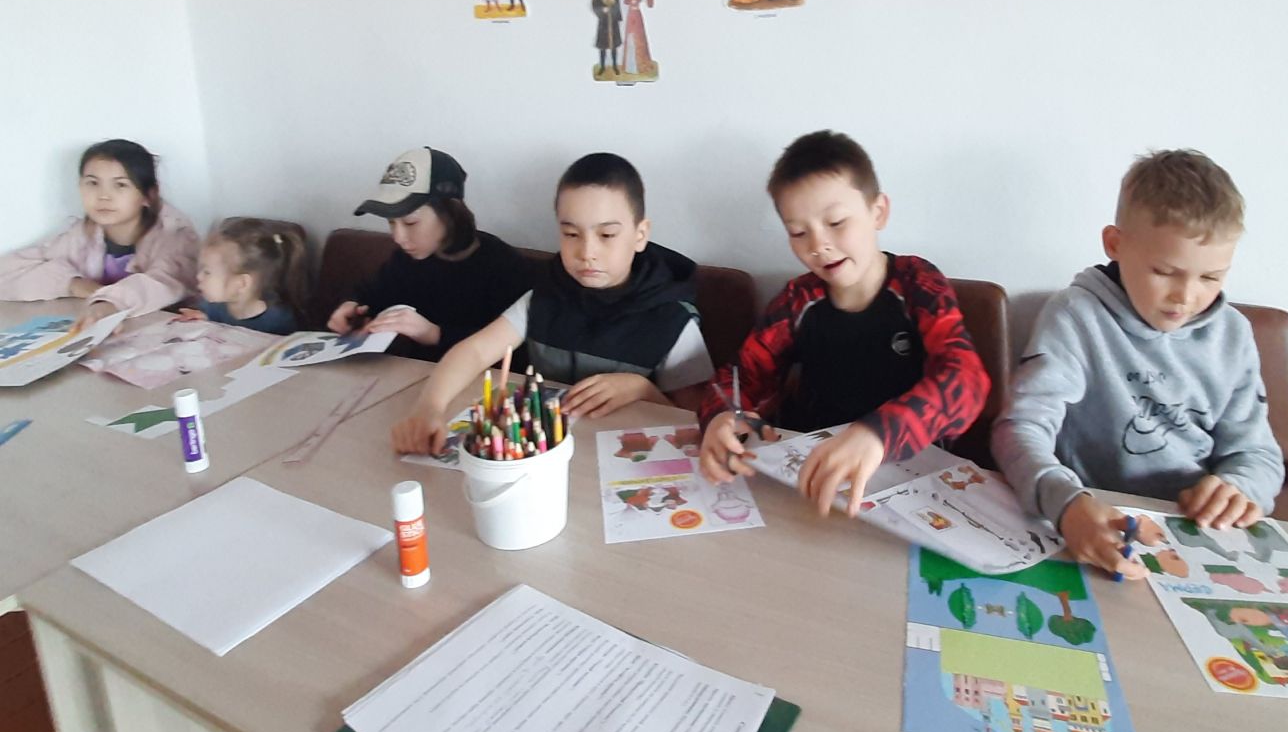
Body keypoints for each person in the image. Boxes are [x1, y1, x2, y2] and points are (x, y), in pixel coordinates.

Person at [992, 150, 1285, 579]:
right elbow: (1020, 428)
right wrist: (1065, 502)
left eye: (1210, 277)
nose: (1186, 296)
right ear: (1115, 244)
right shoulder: (1076, 316)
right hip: (1091, 520)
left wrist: (1240, 488)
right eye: (1164, 271)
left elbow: (1257, 454)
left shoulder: (1233, 334)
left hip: (1193, 535)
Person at [697, 131, 991, 518]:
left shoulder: (918, 283)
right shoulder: (798, 299)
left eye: (836, 222)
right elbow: (743, 376)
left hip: (912, 483)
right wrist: (722, 417)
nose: (817, 245)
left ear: (878, 212)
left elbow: (966, 380)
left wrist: (877, 434)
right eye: (798, 232)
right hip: (814, 476)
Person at [391, 152, 714, 454]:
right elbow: (475, 351)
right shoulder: (544, 296)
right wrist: (429, 408)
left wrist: (643, 390)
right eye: (571, 234)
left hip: (623, 460)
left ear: (640, 235)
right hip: (547, 453)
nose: (587, 252)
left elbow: (694, 420)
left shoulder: (673, 320)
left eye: (606, 235)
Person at [328, 148, 534, 362]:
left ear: (449, 214)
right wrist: (353, 306)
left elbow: (517, 350)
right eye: (391, 222)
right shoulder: (405, 260)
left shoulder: (502, 266)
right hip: (409, 373)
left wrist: (435, 334)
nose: (398, 237)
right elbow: (372, 295)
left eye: (410, 222)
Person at [0, 139, 198, 329]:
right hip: (110, 331)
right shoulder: (80, 235)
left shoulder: (174, 236)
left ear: (149, 195)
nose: (104, 196)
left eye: (120, 185)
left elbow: (163, 282)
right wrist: (73, 284)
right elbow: (7, 272)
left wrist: (110, 302)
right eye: (93, 183)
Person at [179, 218, 306, 335]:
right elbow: (211, 318)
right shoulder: (213, 306)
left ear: (241, 283)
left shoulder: (278, 321)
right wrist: (203, 317)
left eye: (207, 272)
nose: (198, 276)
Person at [621, 0, 655, 75]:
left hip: (637, 16)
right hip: (630, 16)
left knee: (638, 39)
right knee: (630, 39)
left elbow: (650, 1)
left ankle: (640, 65)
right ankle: (629, 66)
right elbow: (626, 1)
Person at [592, 0, 622, 76]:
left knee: (614, 44)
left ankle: (614, 65)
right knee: (602, 45)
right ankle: (602, 66)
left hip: (613, 20)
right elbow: (595, 3)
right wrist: (602, 9)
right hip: (603, 20)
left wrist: (614, 12)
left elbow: (617, 3)